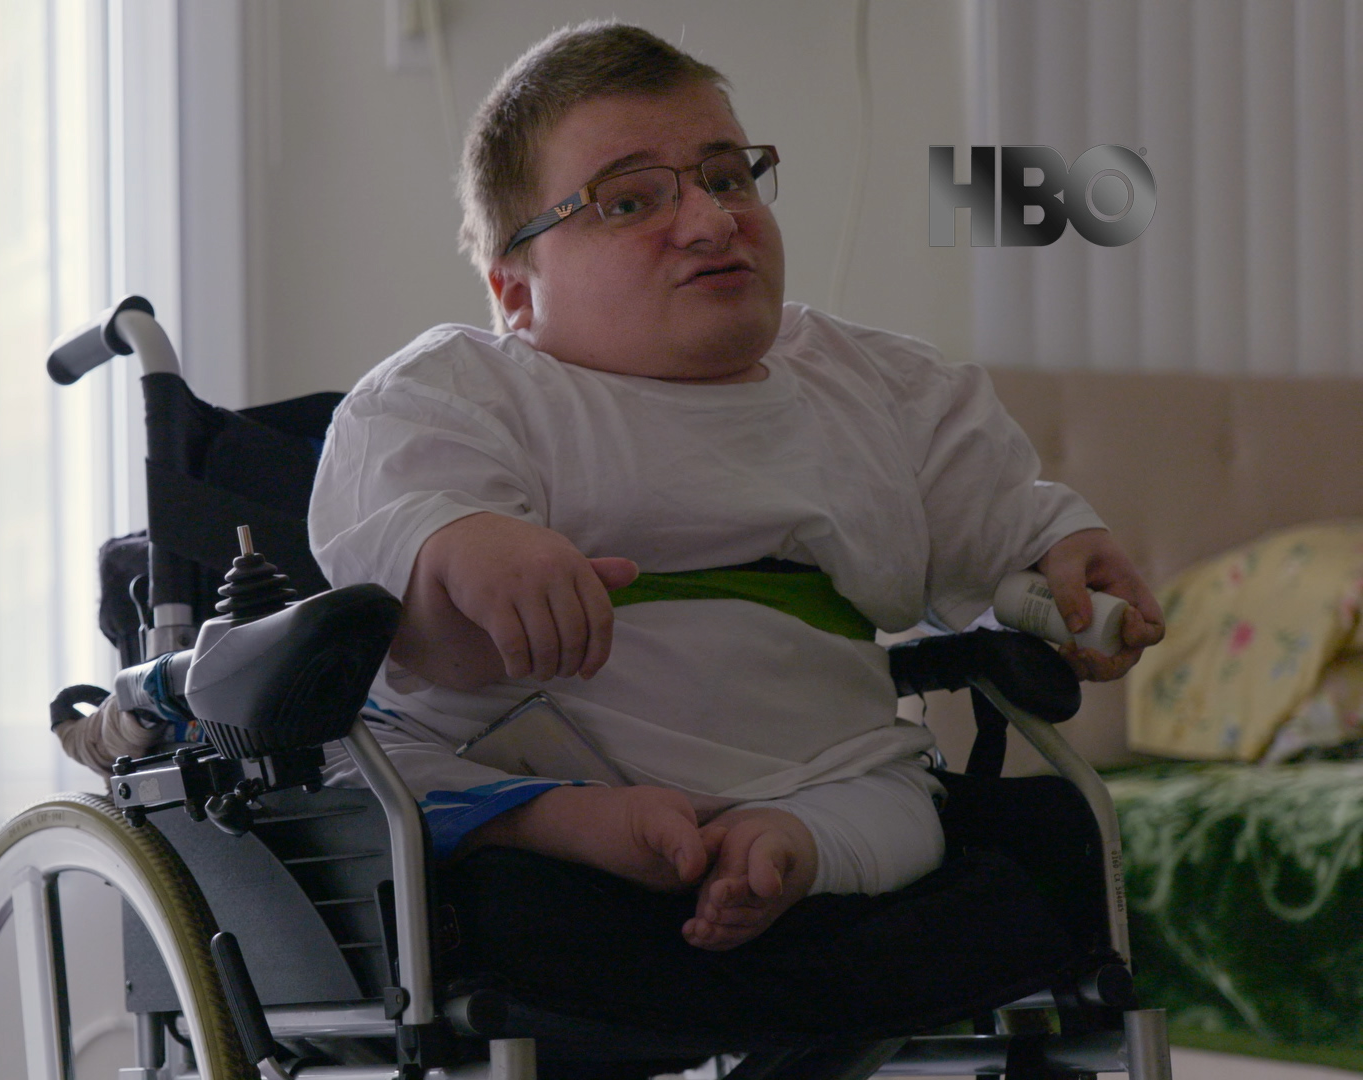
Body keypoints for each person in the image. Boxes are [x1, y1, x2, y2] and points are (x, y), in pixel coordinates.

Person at [308, 19, 1165, 957]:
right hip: (511, 761)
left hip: (820, 770)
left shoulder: (882, 387)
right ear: (516, 291)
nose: (714, 222)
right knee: (370, 776)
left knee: (904, 808)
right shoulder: (461, 391)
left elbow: (997, 523)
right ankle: (556, 823)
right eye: (628, 201)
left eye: (727, 178)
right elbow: (389, 524)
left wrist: (1062, 552)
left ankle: (786, 851)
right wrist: (464, 543)